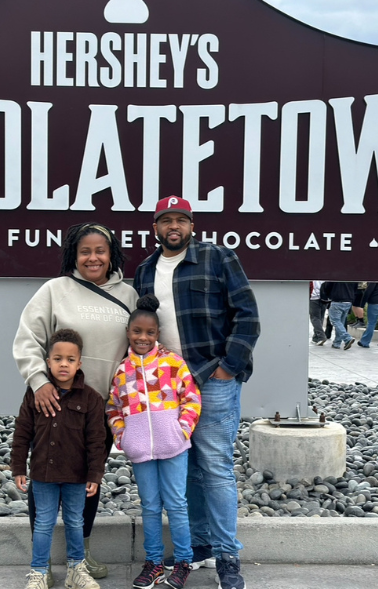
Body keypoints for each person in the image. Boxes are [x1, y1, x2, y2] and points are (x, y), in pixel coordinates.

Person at [133, 196, 260, 589]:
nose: (174, 226)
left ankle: (227, 555)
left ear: (192, 225)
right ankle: (200, 545)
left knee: (216, 469)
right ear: (155, 227)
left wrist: (228, 367)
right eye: (165, 220)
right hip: (168, 390)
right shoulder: (145, 270)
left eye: (181, 220)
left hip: (212, 379)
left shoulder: (218, 257)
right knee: (184, 469)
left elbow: (247, 315)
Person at [13, 222, 138, 583]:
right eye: (85, 251)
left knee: (87, 480)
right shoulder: (54, 291)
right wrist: (39, 382)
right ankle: (41, 566)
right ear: (74, 255)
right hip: (54, 404)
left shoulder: (128, 296)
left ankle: (79, 559)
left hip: (99, 409)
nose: (93, 257)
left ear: (111, 254)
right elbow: (27, 341)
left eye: (100, 250)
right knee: (45, 480)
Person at [106, 295, 201, 589]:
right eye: (137, 332)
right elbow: (113, 407)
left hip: (173, 447)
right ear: (128, 333)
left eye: (149, 333)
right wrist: (123, 437)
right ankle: (154, 563)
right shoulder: (122, 371)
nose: (143, 338)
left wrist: (181, 431)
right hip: (140, 450)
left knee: (176, 504)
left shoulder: (173, 363)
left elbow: (192, 398)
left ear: (157, 334)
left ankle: (184, 561)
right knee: (149, 505)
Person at [11, 329, 105, 589]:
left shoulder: (91, 399)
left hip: (76, 476)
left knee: (76, 521)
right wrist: (18, 466)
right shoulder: (34, 395)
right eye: (58, 358)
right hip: (43, 474)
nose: (64, 364)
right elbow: (22, 432)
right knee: (43, 523)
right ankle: (39, 572)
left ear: (79, 363)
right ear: (48, 362)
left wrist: (95, 475)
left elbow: (97, 441)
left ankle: (76, 570)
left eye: (70, 359)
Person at [322, 281, 357, 349]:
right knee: (341, 323)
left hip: (337, 301)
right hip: (348, 301)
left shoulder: (335, 275)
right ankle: (337, 343)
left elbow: (327, 286)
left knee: (335, 321)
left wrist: (328, 295)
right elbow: (355, 288)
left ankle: (347, 338)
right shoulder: (352, 275)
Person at [309, 281, 328, 345]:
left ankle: (321, 337)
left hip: (313, 298)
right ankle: (316, 337)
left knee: (315, 318)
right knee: (320, 318)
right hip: (324, 298)